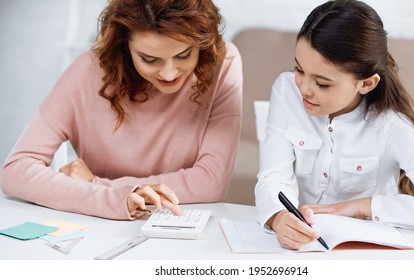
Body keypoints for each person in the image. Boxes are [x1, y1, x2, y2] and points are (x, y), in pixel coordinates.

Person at [0, 0, 242, 220]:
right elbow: (15, 170)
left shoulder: (222, 62)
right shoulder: (87, 71)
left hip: (184, 221)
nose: (169, 73)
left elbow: (211, 183)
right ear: (124, 45)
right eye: (149, 59)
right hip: (98, 222)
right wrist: (114, 198)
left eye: (184, 55)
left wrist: (96, 183)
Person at [255, 0, 414, 250]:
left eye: (322, 83)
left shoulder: (392, 125)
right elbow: (273, 176)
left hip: (367, 253)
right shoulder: (286, 90)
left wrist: (361, 207)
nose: (304, 89)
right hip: (300, 252)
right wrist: (278, 217)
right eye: (299, 69)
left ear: (366, 84)